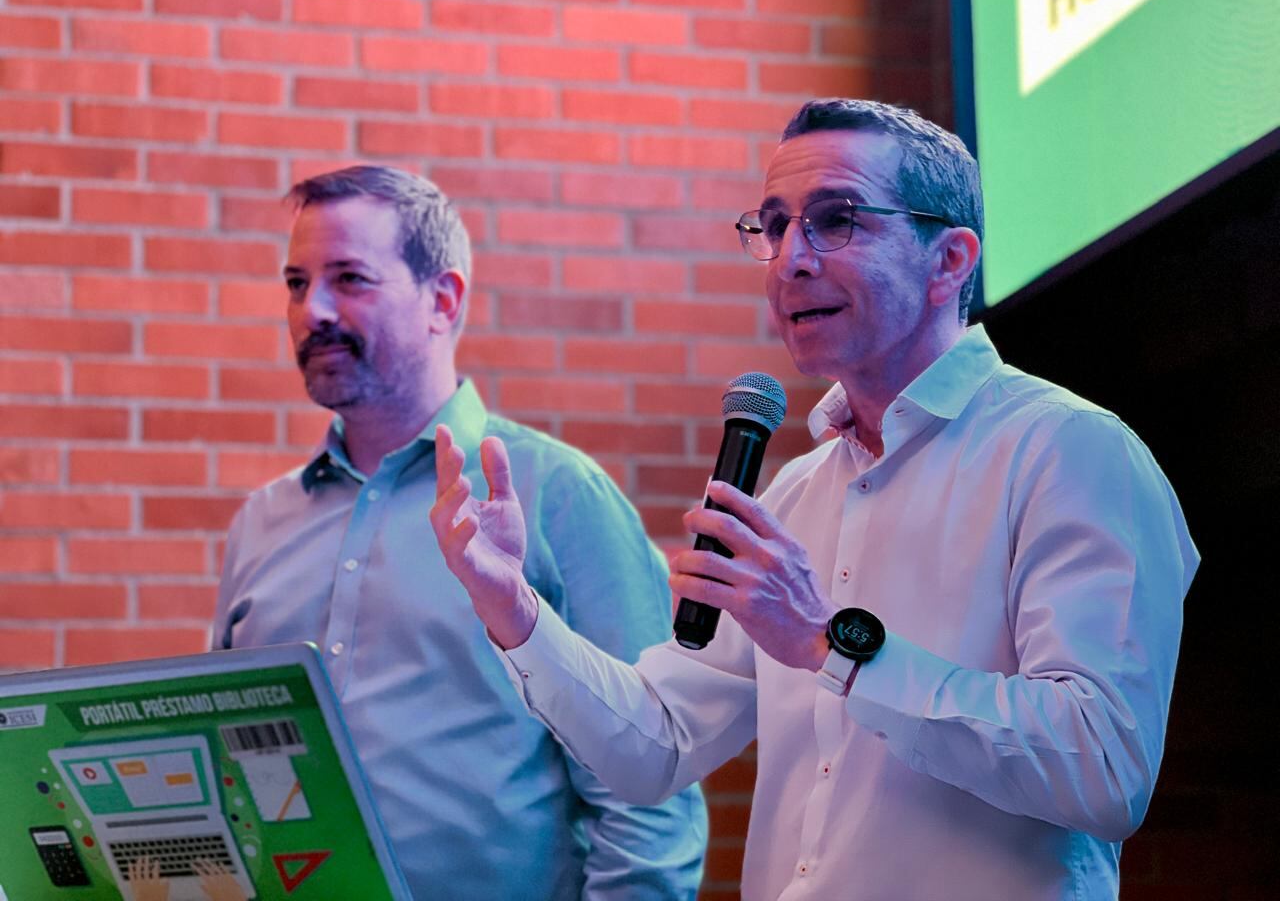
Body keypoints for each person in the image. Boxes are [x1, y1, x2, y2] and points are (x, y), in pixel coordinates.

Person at [429, 99, 1199, 901]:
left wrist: (832, 643)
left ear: (949, 259)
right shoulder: (796, 490)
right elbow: (656, 743)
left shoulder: (1071, 452)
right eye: (774, 225)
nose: (790, 259)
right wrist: (514, 609)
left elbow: (1103, 768)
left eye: (837, 220)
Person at [214, 165, 706, 900]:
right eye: (296, 282)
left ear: (442, 299)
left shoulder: (558, 495)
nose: (312, 309)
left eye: (349, 279)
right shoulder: (261, 522)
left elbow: (647, 790)